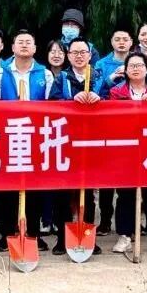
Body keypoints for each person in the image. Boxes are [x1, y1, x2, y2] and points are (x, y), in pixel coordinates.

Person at [0, 29, 53, 252]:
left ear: (35, 48)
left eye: (29, 42)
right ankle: (7, 233)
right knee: (7, 189)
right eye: (20, 42)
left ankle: (34, 233)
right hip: (8, 136)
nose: (25, 45)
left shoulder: (45, 74)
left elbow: (52, 106)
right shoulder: (0, 72)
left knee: (35, 189)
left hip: (36, 137)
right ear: (12, 47)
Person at [48, 36, 102, 255]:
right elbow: (51, 105)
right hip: (66, 142)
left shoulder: (98, 77)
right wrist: (71, 102)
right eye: (75, 53)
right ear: (68, 56)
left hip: (91, 142)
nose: (79, 56)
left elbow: (111, 101)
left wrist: (100, 99)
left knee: (88, 194)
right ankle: (62, 239)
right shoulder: (62, 78)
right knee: (62, 192)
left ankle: (88, 237)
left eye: (83, 52)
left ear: (90, 55)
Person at [108, 53, 147, 255]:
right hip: (126, 148)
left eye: (140, 65)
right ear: (126, 70)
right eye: (132, 65)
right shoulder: (116, 92)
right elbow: (112, 118)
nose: (136, 69)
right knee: (125, 193)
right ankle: (124, 234)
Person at [91, 27, 135, 233]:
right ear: (111, 42)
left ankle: (129, 222)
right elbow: (94, 90)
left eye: (125, 39)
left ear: (131, 42)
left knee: (128, 175)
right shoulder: (101, 64)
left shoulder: (137, 61)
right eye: (117, 39)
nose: (121, 42)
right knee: (106, 175)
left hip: (132, 125)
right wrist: (110, 79)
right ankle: (105, 219)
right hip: (107, 124)